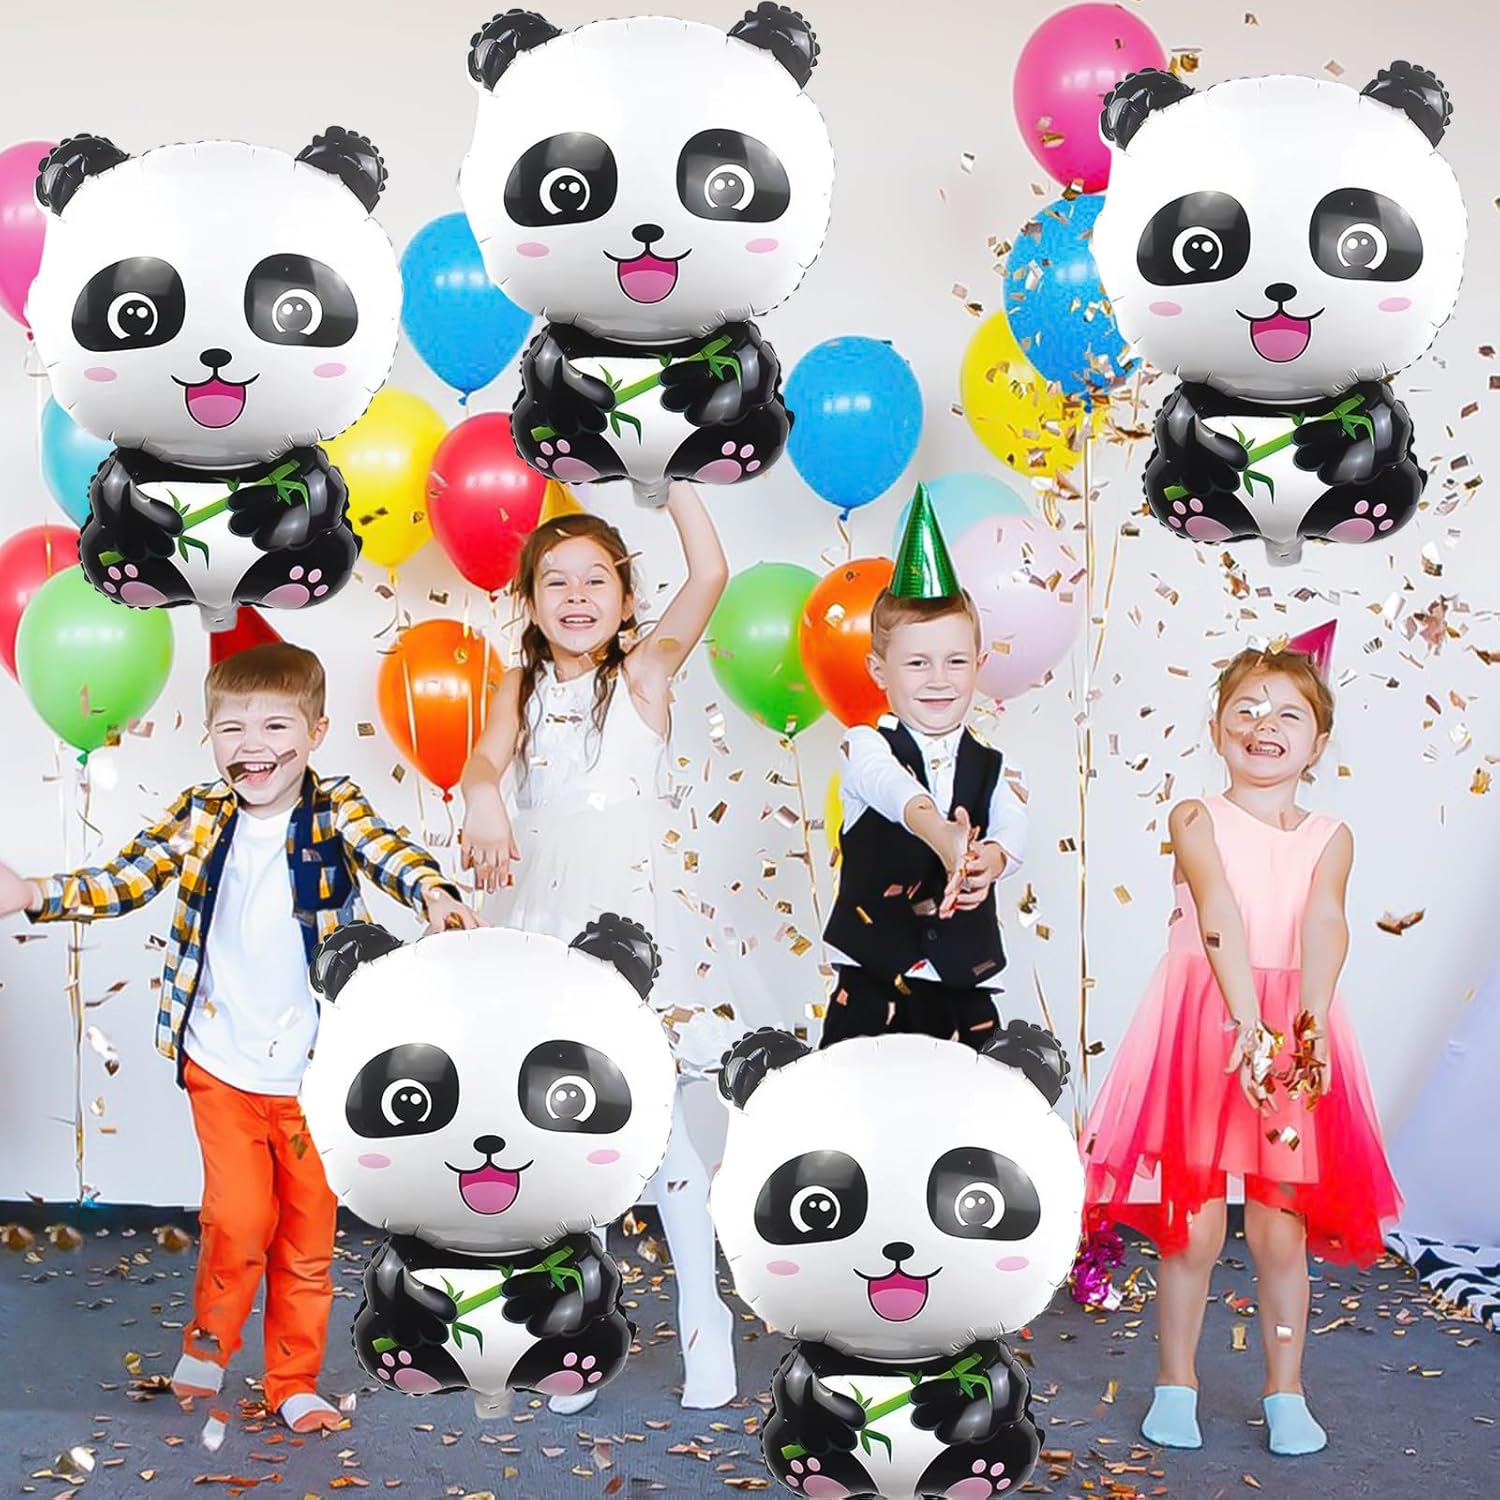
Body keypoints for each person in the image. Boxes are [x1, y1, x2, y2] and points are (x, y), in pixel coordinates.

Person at [0, 643, 480, 1432]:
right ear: (211, 737)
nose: (251, 745)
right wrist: (33, 893)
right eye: (232, 728)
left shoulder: (335, 808)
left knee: (307, 1241)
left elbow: (388, 852)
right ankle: (210, 1342)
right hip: (221, 1067)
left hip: (319, 1077)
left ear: (317, 732)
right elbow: (125, 879)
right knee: (240, 1220)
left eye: (274, 726)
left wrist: (434, 891)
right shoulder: (200, 814)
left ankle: (292, 1381)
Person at [459, 482, 757, 1412]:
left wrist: (674, 487)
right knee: (563, 1139)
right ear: (529, 600)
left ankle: (705, 1323)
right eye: (556, 580)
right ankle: (576, 1334)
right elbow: (483, 760)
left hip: (638, 927)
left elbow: (710, 574)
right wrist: (482, 794)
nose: (577, 596)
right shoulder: (518, 687)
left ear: (628, 599)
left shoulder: (645, 675)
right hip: (549, 929)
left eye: (597, 579)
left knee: (662, 1135)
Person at [1081, 638, 1401, 1458]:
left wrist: (1308, 1020)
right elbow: (1217, 907)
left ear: (1318, 742)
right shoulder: (1196, 817)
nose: (1266, 726)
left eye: (1289, 714)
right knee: (1192, 1226)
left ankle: (1285, 1390)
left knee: (1279, 1228)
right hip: (1209, 1024)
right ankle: (1176, 1383)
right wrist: (1244, 1019)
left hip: (1289, 1034)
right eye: (1247, 710)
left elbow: (1325, 921)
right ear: (1218, 727)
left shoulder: (1331, 834)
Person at [822, 486, 1027, 1048]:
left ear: (979, 665)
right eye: (917, 663)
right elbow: (896, 793)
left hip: (964, 990)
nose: (939, 680)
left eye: (955, 661)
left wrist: (988, 860)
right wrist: (942, 835)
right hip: (870, 991)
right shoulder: (864, 747)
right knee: (855, 1101)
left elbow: (1013, 832)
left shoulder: (999, 766)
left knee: (971, 1103)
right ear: (879, 670)